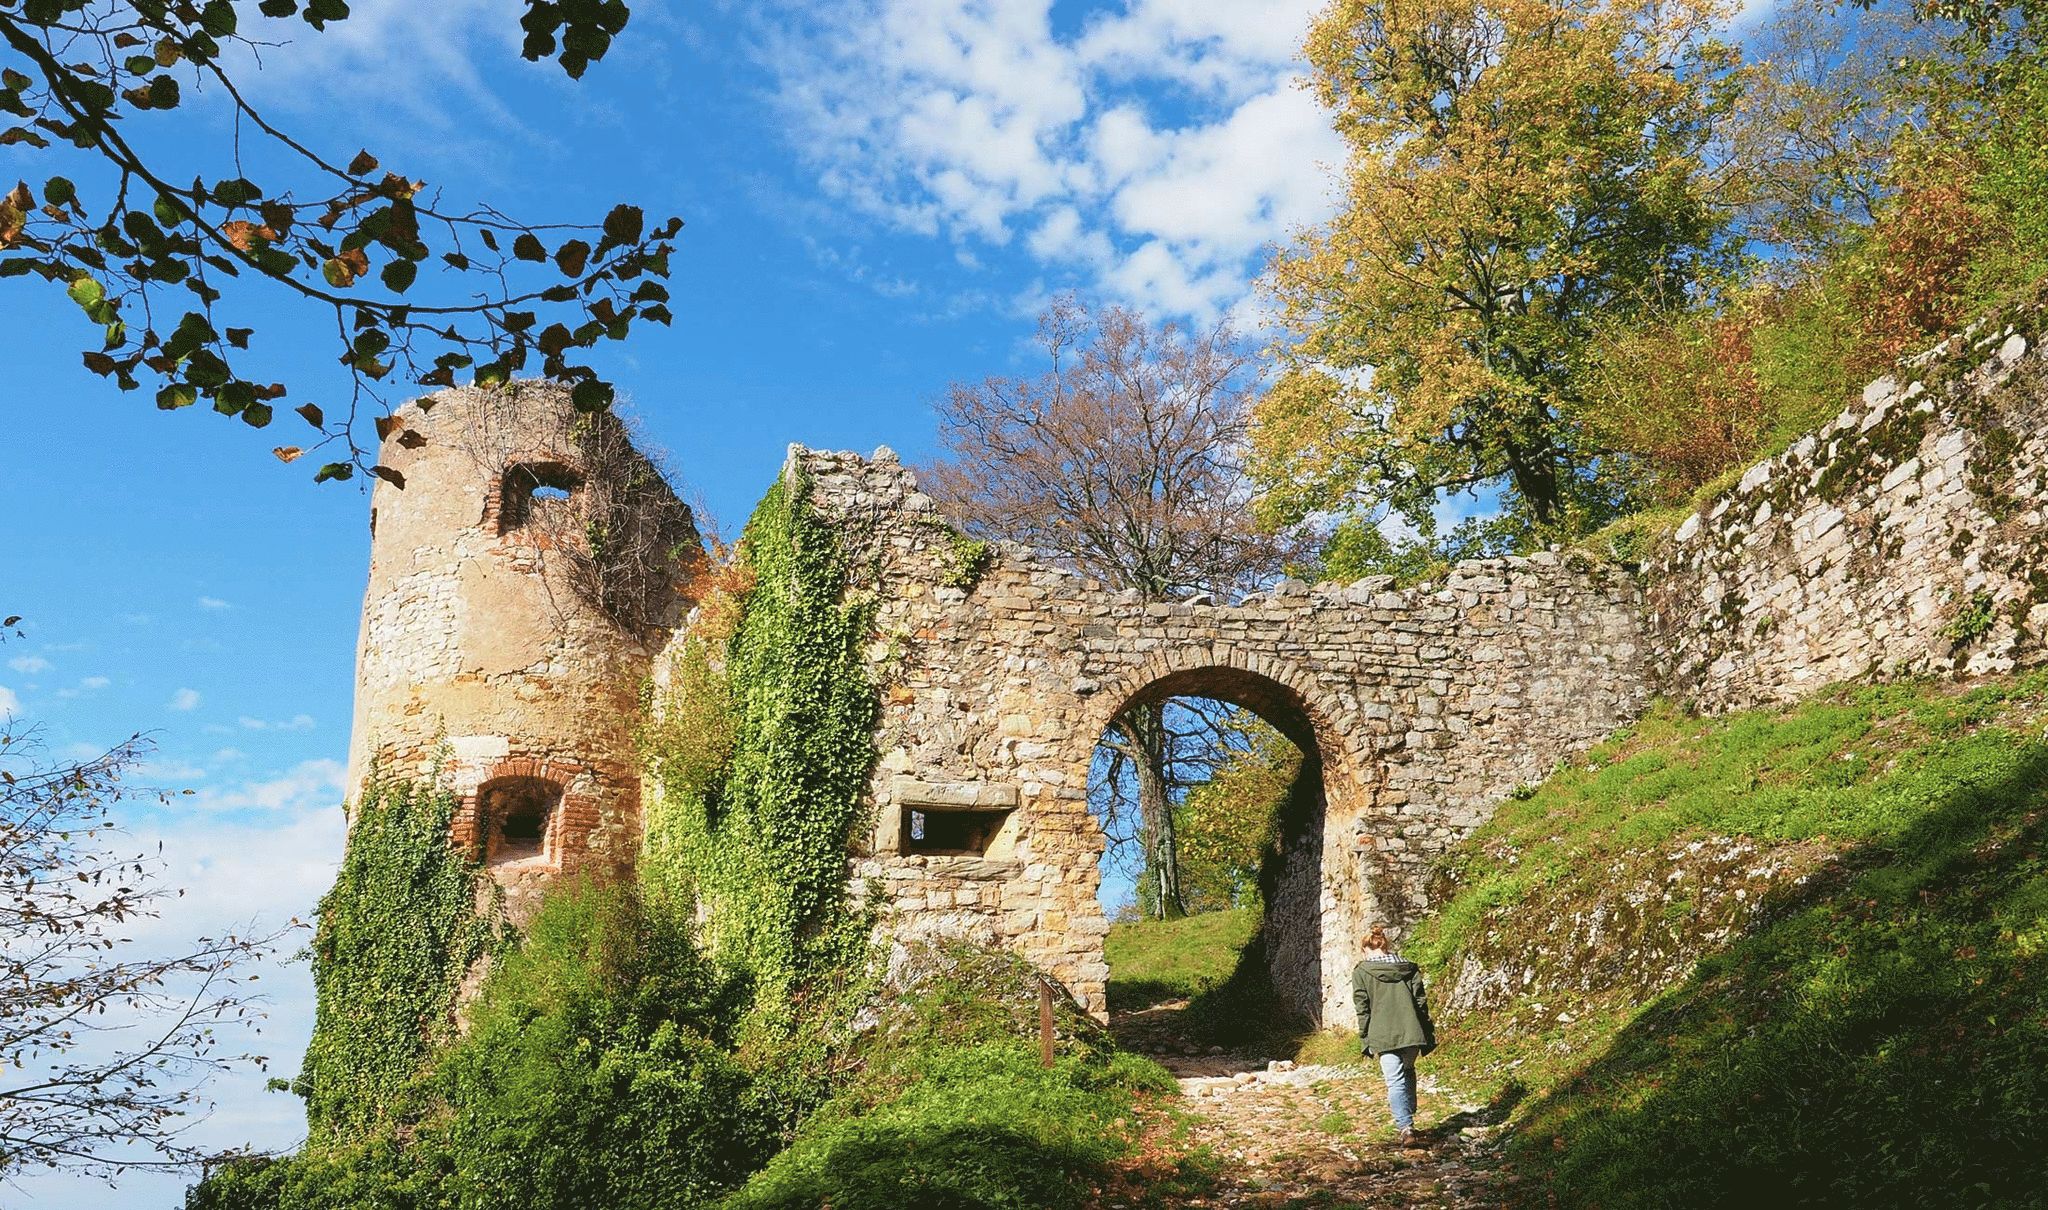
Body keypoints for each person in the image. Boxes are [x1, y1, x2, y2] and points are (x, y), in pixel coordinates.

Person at [1352, 925, 1437, 1146]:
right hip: (1412, 1031)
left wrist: (1365, 1038)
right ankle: (1409, 1115)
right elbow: (1421, 1002)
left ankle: (1405, 1127)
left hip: (1382, 1034)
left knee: (1395, 1081)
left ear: (1365, 949)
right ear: (1385, 946)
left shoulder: (1362, 972)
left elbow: (1363, 1009)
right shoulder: (1408, 968)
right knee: (1407, 1071)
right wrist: (1426, 1030)